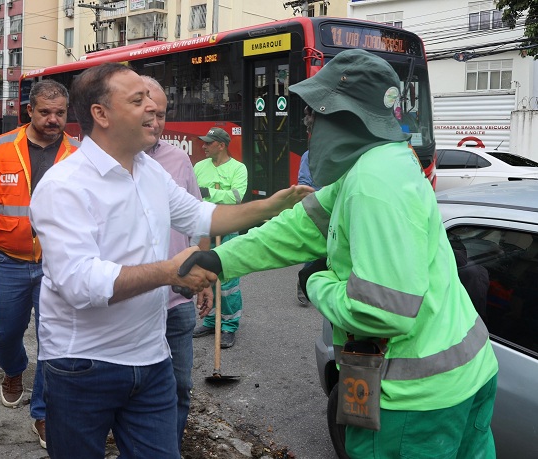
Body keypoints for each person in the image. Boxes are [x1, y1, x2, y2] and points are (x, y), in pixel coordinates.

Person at [177, 49, 499, 458]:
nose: (308, 124)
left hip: (413, 401)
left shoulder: (372, 182)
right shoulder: (378, 162)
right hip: (465, 375)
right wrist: (222, 260)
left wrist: (317, 283)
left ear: (344, 116)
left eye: (315, 113)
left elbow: (384, 312)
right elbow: (298, 227)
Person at [28, 62, 312, 459]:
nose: (153, 108)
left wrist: (270, 206)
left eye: (152, 99)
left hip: (152, 359)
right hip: (84, 367)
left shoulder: (149, 172)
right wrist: (167, 272)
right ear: (101, 114)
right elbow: (79, 283)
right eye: (138, 99)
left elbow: (203, 215)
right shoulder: (63, 186)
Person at [0, 79, 79, 450]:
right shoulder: (0, 148)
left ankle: (44, 413)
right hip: (9, 261)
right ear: (29, 111)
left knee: (55, 341)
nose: (53, 119)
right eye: (45, 112)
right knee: (4, 332)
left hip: (58, 265)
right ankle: (14, 371)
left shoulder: (79, 154)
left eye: (60, 113)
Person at [141, 75, 213, 451]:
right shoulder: (102, 164)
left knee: (180, 386)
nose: (155, 122)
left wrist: (206, 276)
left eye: (162, 114)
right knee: (135, 392)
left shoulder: (179, 159)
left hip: (178, 299)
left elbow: (199, 219)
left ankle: (167, 449)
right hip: (132, 305)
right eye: (147, 112)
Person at [192, 127, 248, 348]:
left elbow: (236, 197)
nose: (203, 146)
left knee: (228, 281)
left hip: (229, 227)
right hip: (205, 229)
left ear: (221, 145)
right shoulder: (198, 166)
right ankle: (209, 320)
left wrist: (208, 193)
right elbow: (192, 195)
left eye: (208, 143)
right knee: (206, 277)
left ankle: (229, 326)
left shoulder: (238, 168)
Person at [296, 105, 321, 305]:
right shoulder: (308, 157)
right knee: (314, 251)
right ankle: (303, 282)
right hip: (318, 211)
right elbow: (305, 185)